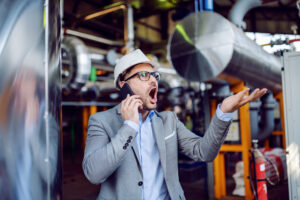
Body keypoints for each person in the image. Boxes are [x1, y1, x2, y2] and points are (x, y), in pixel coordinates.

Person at [82, 49, 267, 200]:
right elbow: (94, 174)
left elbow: (204, 152)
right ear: (124, 85)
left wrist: (224, 112)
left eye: (154, 75)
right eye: (144, 75)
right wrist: (129, 126)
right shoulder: (101, 121)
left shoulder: (168, 121)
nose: (154, 80)